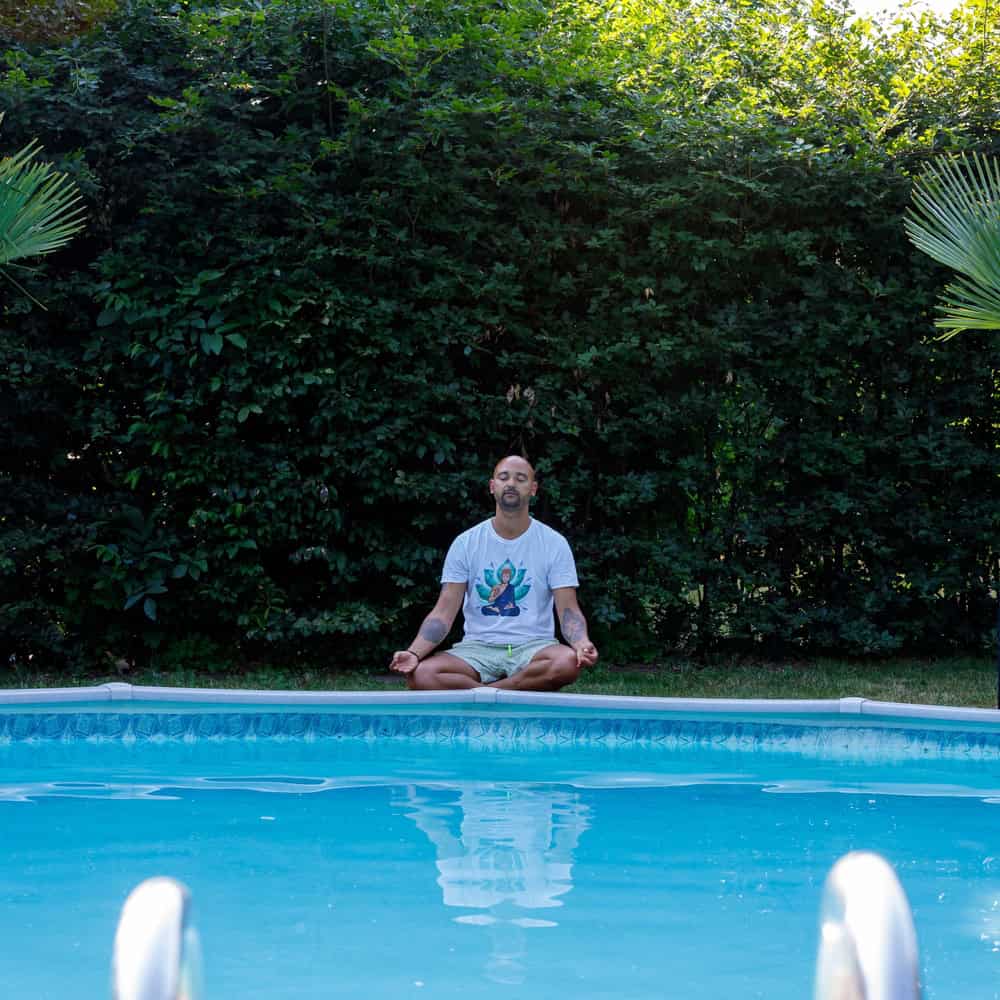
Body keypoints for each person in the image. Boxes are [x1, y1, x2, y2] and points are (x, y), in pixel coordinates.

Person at [389, 455, 599, 690]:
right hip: (477, 648)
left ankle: (487, 694)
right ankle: (513, 691)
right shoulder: (466, 542)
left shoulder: (554, 543)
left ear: (533, 489)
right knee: (422, 675)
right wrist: (414, 653)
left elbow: (568, 610)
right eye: (503, 477)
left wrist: (581, 643)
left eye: (520, 479)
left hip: (534, 647)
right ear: (492, 486)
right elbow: (443, 612)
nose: (511, 483)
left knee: (566, 662)